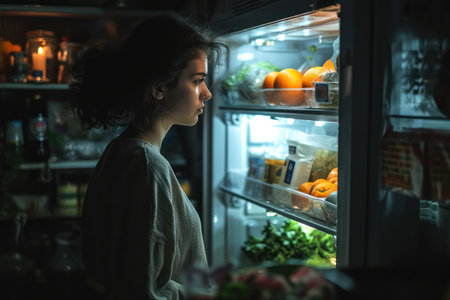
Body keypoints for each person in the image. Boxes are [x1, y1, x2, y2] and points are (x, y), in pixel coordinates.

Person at [70, 14, 225, 299]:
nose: (207, 94)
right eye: (197, 81)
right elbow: (146, 290)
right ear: (158, 88)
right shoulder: (146, 165)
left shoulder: (122, 151)